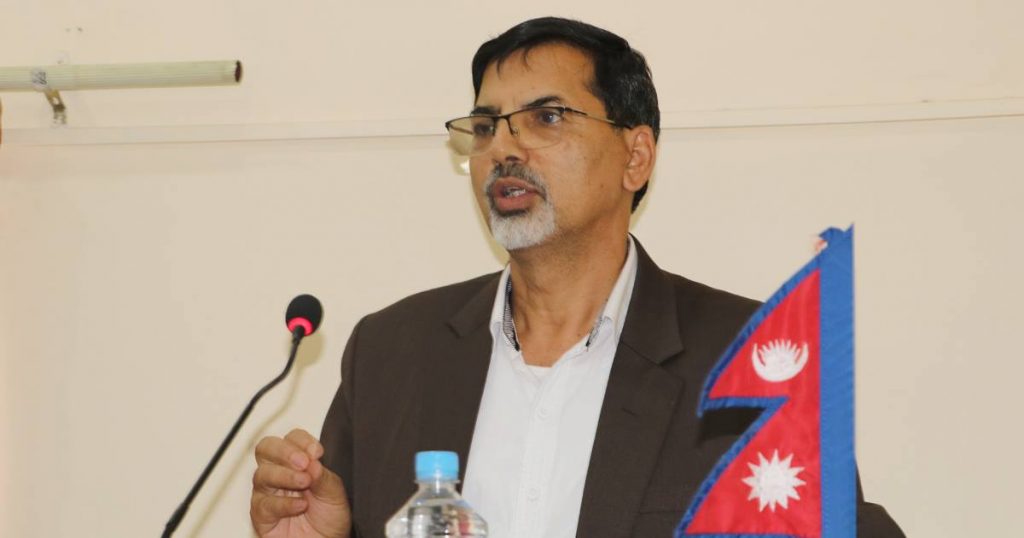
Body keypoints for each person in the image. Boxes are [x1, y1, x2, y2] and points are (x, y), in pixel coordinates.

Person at [250, 17, 904, 538]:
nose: (504, 148)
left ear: (635, 156)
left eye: (547, 117)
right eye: (487, 126)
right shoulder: (392, 352)